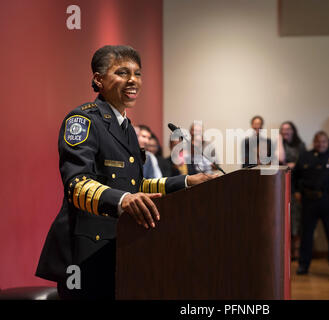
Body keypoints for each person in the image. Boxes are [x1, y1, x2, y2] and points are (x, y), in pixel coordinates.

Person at [35, 45, 214, 299]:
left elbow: (137, 185)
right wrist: (123, 200)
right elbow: (76, 185)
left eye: (137, 73)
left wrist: (185, 181)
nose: (133, 80)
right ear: (99, 79)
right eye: (122, 72)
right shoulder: (83, 121)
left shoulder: (127, 128)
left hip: (121, 245)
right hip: (86, 252)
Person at [293, 131, 329, 276]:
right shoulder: (305, 156)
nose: (321, 144)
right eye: (318, 141)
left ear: (327, 143)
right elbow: (294, 176)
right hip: (309, 201)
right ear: (314, 142)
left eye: (324, 141)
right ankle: (303, 266)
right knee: (306, 235)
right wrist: (296, 192)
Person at [279, 121, 306, 260]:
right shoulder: (278, 145)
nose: (286, 132)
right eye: (283, 130)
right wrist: (278, 140)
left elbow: (303, 165)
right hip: (281, 186)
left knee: (296, 218)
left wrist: (293, 165)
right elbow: (279, 159)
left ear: (293, 130)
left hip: (297, 187)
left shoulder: (300, 145)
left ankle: (296, 250)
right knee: (283, 218)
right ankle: (286, 250)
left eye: (288, 129)